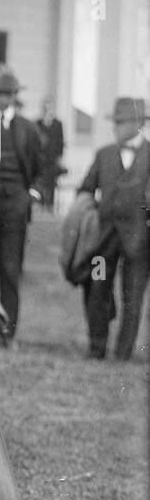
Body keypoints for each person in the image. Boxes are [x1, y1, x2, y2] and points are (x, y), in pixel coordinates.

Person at [0, 63, 44, 347]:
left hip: (15, 207)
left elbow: (41, 169)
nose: (4, 99)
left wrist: (33, 194)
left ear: (15, 95)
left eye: (9, 94)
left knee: (11, 271)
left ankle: (7, 333)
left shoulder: (27, 129)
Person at [76, 97, 150, 361]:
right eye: (115, 122)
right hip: (102, 241)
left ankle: (123, 353)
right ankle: (96, 348)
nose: (116, 128)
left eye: (121, 123)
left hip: (139, 243)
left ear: (138, 124)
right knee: (97, 291)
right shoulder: (104, 154)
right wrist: (92, 211)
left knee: (133, 298)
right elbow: (85, 188)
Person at [37, 96, 67, 211]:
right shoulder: (38, 123)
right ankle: (40, 205)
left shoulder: (58, 124)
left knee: (51, 184)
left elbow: (60, 142)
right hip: (41, 160)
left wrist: (59, 158)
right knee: (40, 183)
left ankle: (49, 206)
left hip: (52, 160)